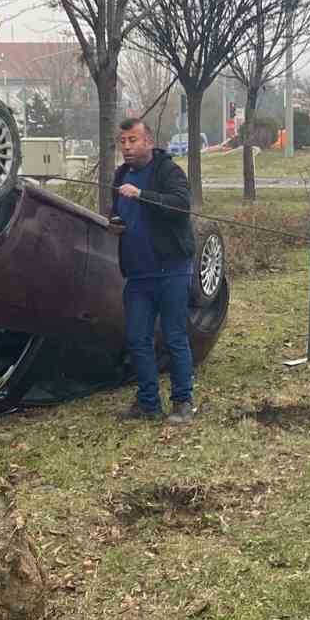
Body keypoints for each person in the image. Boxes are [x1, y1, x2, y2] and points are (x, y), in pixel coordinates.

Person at [111, 117, 197, 424]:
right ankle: (148, 403)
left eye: (133, 140)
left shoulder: (167, 171)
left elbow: (181, 205)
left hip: (172, 269)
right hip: (137, 274)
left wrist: (142, 195)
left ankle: (183, 402)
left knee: (174, 337)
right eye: (122, 141)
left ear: (148, 142)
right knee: (137, 339)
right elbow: (117, 212)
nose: (126, 147)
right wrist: (115, 225)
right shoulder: (120, 175)